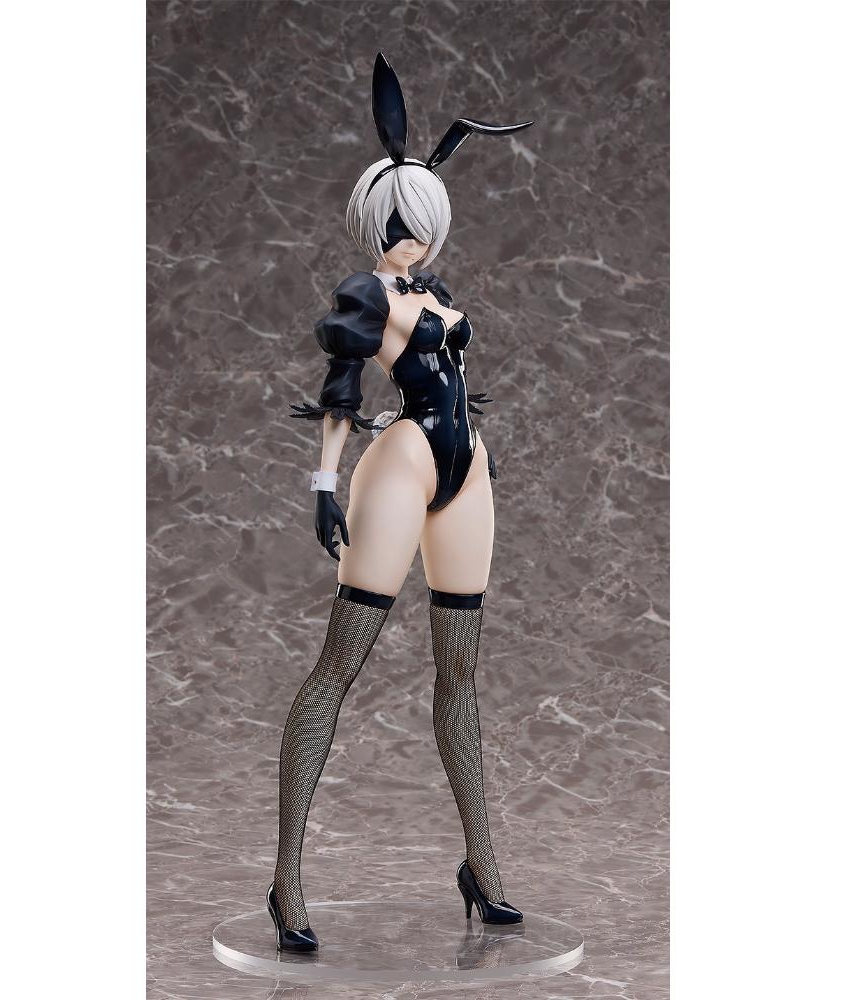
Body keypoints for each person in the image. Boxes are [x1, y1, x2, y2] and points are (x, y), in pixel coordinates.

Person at [266, 52, 534, 953]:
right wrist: (322, 481)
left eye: (419, 224)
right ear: (373, 221)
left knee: (461, 671)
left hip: (466, 469)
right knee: (339, 665)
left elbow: (452, 371)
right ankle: (286, 879)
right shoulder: (365, 294)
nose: (408, 240)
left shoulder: (437, 293)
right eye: (395, 224)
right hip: (402, 462)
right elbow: (341, 386)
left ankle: (482, 864)